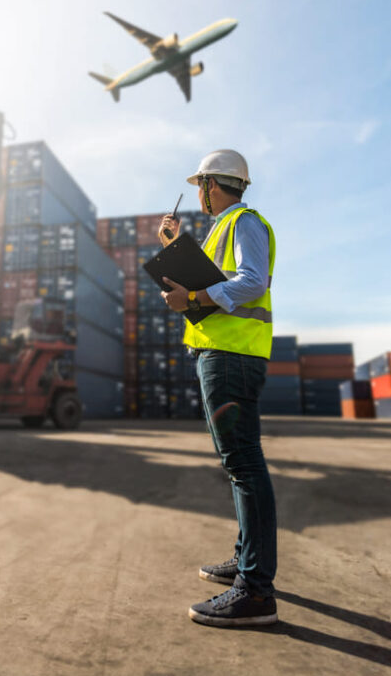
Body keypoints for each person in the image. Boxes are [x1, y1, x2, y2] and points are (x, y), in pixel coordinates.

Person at [158, 149, 278, 628]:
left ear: (212, 184)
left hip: (233, 356)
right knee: (237, 465)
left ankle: (255, 590)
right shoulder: (221, 228)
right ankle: (245, 559)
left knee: (244, 464)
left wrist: (192, 297)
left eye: (200, 186)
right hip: (220, 352)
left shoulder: (245, 221)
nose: (199, 194)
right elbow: (214, 280)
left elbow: (251, 281)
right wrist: (175, 246)